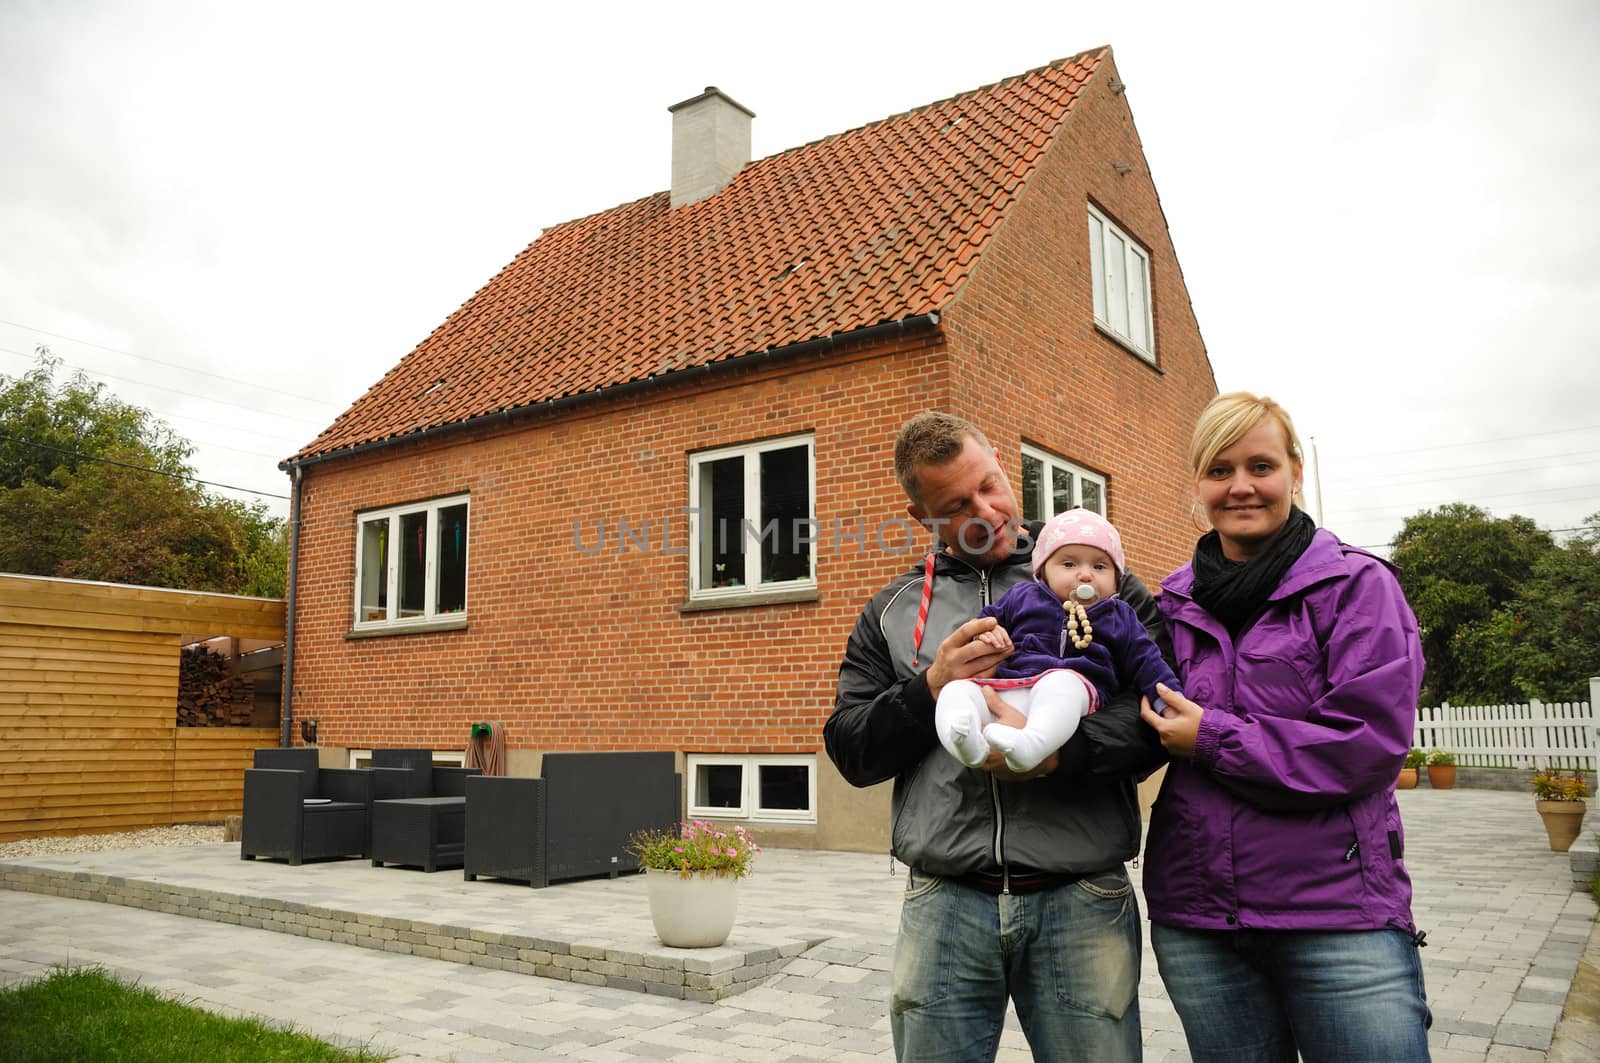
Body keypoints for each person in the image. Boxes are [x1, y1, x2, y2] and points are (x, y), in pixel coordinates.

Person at [826, 411, 1165, 1063]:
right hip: (944, 901)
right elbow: (850, 747)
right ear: (919, 514)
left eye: (991, 484)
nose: (988, 509)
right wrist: (930, 688)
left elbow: (1153, 714)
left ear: (1004, 465)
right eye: (957, 503)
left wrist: (1060, 753)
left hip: (1081, 893)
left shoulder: (1090, 574)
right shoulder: (891, 611)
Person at [1139, 391, 1431, 1062]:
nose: (1240, 485)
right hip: (1200, 921)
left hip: (1338, 920)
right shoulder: (1169, 604)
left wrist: (1209, 736)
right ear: (1198, 483)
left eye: (1261, 465)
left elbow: (1366, 744)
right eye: (1219, 469)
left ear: (1295, 472)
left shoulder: (1357, 587)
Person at [935, 507, 1182, 773]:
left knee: (1060, 682)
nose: (1085, 574)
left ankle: (1031, 745)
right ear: (1043, 572)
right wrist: (986, 632)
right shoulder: (1022, 597)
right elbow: (984, 620)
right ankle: (965, 741)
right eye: (1069, 564)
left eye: (1099, 566)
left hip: (1073, 693)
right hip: (1008, 687)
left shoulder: (1119, 616)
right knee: (956, 690)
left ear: (1116, 580)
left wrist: (1170, 703)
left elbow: (1149, 662)